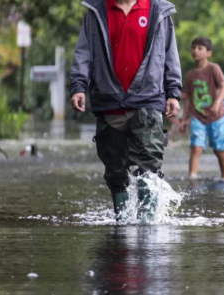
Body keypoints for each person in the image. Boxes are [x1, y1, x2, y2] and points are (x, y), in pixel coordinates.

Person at [70, 0, 182, 220]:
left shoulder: (158, 11)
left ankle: (148, 224)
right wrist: (78, 86)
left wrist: (173, 92)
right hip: (109, 98)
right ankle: (123, 224)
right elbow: (84, 53)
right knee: (115, 170)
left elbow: (170, 53)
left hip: (148, 98)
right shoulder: (96, 12)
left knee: (149, 165)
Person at [180, 37, 224, 180]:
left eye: (200, 48)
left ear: (208, 53)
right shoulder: (191, 75)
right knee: (196, 148)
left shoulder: (214, 68)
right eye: (193, 47)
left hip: (217, 116)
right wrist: (184, 119)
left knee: (219, 149)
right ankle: (192, 177)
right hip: (197, 117)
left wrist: (217, 103)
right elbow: (189, 99)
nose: (195, 51)